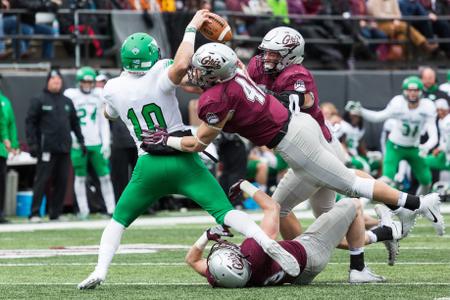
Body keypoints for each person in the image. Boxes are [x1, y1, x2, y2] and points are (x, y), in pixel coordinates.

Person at [77, 10, 300, 290]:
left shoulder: (110, 87)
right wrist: (192, 27)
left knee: (118, 221)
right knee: (224, 212)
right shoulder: (160, 72)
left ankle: (100, 270)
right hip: (182, 159)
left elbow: (110, 113)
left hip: (148, 165)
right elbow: (182, 65)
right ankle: (267, 242)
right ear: (152, 55)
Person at [141, 42, 445, 239]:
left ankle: (420, 203)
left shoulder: (217, 97)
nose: (194, 74)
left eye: (200, 70)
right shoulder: (235, 73)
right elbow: (199, 83)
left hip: (292, 141)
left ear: (213, 75)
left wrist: (167, 139)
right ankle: (299, 252)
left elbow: (199, 143)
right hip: (296, 128)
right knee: (279, 208)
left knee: (351, 183)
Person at [185, 179, 401, 286]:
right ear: (239, 258)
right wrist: (245, 185)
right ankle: (358, 269)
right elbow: (272, 207)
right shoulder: (253, 250)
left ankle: (383, 233)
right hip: (309, 250)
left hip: (299, 273)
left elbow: (192, 261)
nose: (226, 247)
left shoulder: (223, 278)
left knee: (328, 235)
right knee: (353, 205)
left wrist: (205, 236)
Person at [346, 76, 437, 197]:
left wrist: (427, 146)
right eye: (409, 90)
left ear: (421, 91)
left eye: (415, 90)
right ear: (404, 91)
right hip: (395, 146)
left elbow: (433, 133)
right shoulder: (398, 103)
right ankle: (363, 199)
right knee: (387, 178)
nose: (412, 93)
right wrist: (362, 111)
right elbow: (379, 116)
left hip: (414, 147)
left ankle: (420, 206)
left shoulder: (428, 106)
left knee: (426, 181)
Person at [25, 69, 85, 222]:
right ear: (48, 82)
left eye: (59, 80)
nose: (56, 82)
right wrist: (32, 144)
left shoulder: (67, 101)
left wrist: (81, 140)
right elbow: (30, 123)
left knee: (62, 180)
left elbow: (75, 123)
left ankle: (55, 213)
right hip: (46, 149)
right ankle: (35, 213)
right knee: (42, 180)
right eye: (53, 80)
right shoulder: (39, 99)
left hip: (64, 148)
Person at [64, 66, 115, 219]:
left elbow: (103, 122)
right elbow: (68, 121)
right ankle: (84, 210)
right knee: (80, 177)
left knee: (105, 177)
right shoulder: (71, 96)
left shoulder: (99, 95)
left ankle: (112, 209)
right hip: (79, 144)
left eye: (90, 82)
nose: (87, 85)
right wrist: (72, 138)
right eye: (84, 81)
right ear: (78, 82)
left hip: (96, 142)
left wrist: (106, 142)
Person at [0, 89, 19, 223]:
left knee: (1, 182)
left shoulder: (5, 101)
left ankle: (0, 213)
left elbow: (8, 124)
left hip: (1, 150)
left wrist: (12, 142)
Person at [425, 99, 450, 172]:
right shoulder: (440, 121)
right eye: (438, 110)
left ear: (447, 110)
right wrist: (440, 148)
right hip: (446, 152)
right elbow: (444, 139)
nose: (440, 112)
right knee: (424, 161)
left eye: (442, 110)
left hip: (447, 151)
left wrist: (440, 148)